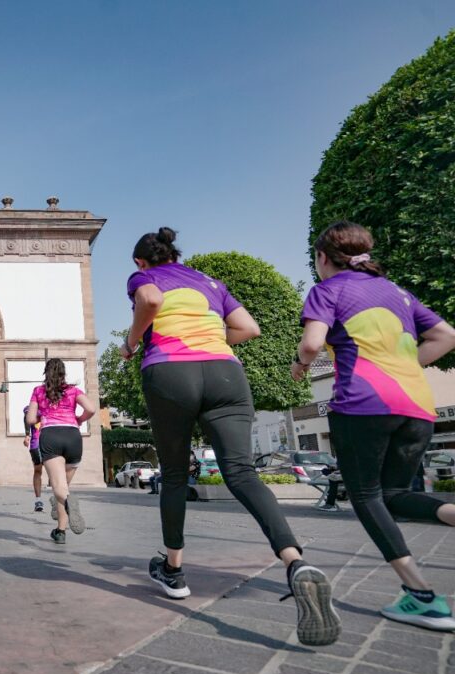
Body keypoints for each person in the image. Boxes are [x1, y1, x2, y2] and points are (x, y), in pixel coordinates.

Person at [123, 227, 339, 646]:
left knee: (171, 473)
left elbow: (149, 302)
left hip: (170, 371)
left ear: (141, 262)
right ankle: (294, 562)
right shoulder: (210, 282)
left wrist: (133, 342)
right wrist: (208, 341)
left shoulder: (142, 278)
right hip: (225, 372)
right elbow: (250, 329)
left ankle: (173, 569)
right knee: (241, 472)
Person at [293, 221, 455, 631]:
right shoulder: (397, 291)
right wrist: (402, 368)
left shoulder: (326, 290)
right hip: (416, 404)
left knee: (365, 496)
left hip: (364, 403)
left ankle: (422, 596)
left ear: (323, 258)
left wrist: (300, 366)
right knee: (395, 494)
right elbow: (445, 336)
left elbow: (312, 343)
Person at [26, 358, 96, 544]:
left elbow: (31, 419)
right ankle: (60, 531)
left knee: (59, 487)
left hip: (51, 436)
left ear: (46, 373)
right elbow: (91, 408)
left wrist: (42, 412)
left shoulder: (39, 391)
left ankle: (69, 503)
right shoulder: (73, 390)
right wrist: (80, 419)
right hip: (73, 436)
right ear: (63, 373)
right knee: (63, 487)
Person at [22, 406, 44, 512]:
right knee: (38, 471)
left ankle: (59, 498)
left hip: (52, 444)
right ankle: (38, 500)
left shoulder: (53, 406)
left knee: (55, 471)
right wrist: (27, 435)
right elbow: (26, 416)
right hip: (37, 445)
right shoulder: (32, 408)